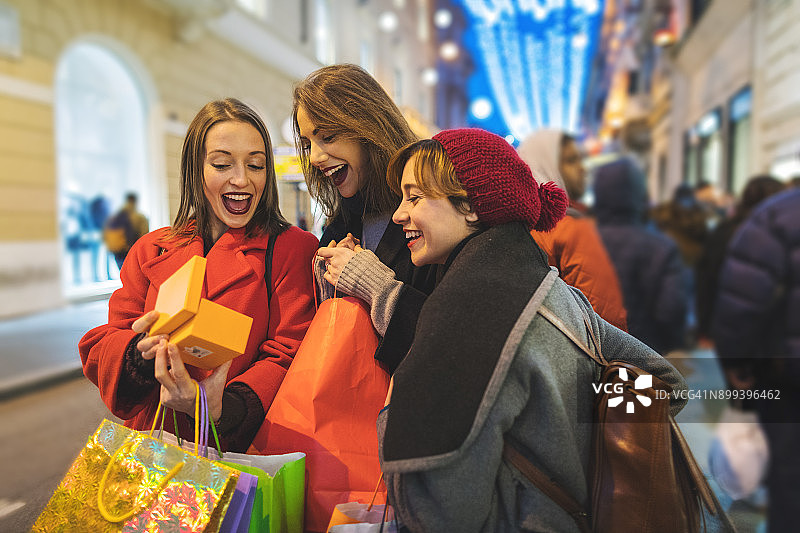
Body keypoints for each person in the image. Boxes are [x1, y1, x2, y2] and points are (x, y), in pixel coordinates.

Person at [377, 129, 687, 531]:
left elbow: (438, 512)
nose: (399, 213)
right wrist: (583, 434)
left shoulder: (468, 310)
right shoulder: (555, 290)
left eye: (415, 197)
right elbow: (664, 385)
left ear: (470, 205)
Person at [79, 98, 319, 452]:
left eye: (256, 165)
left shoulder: (291, 248)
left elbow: (288, 354)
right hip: (153, 449)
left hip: (237, 450)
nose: (242, 179)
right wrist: (140, 355)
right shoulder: (151, 248)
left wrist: (217, 408)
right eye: (222, 164)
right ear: (196, 169)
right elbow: (114, 336)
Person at [290, 63, 437, 373]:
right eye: (307, 144)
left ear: (369, 129)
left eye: (327, 136)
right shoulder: (341, 223)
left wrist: (374, 284)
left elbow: (453, 341)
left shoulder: (433, 211)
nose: (315, 157)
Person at [712, 187, 800, 532]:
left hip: (788, 383)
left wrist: (737, 363)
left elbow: (742, 301)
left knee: (791, 483)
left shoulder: (778, 217)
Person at [517, 130, 628, 331]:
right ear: (545, 165)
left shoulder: (515, 224)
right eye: (571, 160)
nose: (582, 169)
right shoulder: (570, 228)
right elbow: (609, 321)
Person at [593, 157, 689, 354]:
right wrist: (675, 345)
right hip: (646, 357)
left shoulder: (579, 241)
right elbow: (671, 310)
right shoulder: (661, 247)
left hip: (593, 357)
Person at [695, 175, 784, 344]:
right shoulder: (777, 238)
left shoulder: (724, 231)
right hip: (767, 335)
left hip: (725, 326)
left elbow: (706, 282)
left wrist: (705, 329)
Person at [105, 192, 150, 269]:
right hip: (131, 251)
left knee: (122, 272)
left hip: (118, 250)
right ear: (135, 201)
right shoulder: (140, 217)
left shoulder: (116, 216)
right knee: (132, 275)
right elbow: (144, 236)